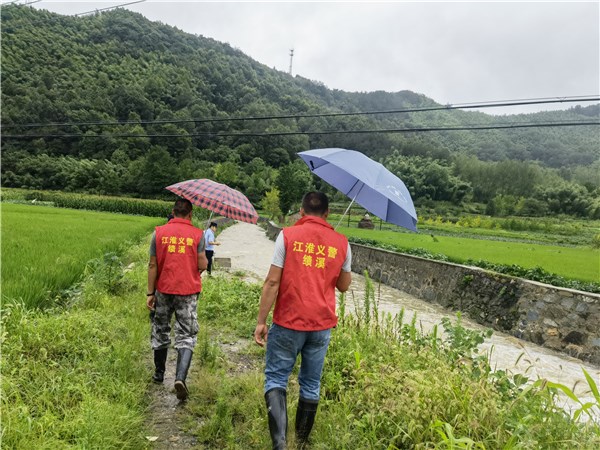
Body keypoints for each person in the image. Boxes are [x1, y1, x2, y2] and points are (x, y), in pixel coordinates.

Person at [254, 192, 352, 449]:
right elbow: (343, 286)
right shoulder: (342, 242)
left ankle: (280, 444)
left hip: (288, 321)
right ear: (328, 213)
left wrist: (261, 321)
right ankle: (301, 442)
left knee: (276, 378)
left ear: (301, 211)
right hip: (320, 327)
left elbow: (272, 281)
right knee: (311, 382)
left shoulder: (287, 236)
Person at [147, 198, 208, 401]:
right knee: (187, 334)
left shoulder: (159, 233)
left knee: (160, 328)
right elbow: (202, 265)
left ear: (173, 212)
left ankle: (159, 373)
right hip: (187, 292)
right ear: (190, 214)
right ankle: (180, 378)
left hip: (163, 290)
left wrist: (150, 293)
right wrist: (203, 260)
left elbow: (152, 266)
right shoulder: (198, 235)